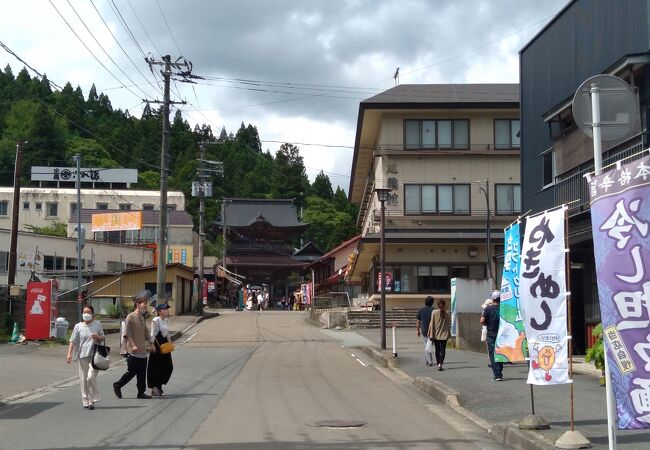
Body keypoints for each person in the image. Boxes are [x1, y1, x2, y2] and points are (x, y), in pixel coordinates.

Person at [113, 290, 154, 399]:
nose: (146, 305)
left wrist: (151, 343)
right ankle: (118, 385)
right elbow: (126, 333)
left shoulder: (141, 317)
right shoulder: (130, 317)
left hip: (142, 350)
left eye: (146, 302)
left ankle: (141, 392)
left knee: (142, 374)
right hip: (133, 351)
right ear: (137, 304)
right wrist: (133, 345)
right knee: (131, 372)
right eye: (144, 303)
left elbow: (146, 332)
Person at [66, 304, 104, 410]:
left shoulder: (97, 324)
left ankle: (92, 398)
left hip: (95, 355)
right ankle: (86, 400)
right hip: (82, 355)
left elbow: (103, 337)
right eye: (84, 312)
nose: (86, 314)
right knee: (83, 379)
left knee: (90, 377)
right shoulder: (78, 326)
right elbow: (72, 341)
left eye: (89, 312)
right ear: (82, 314)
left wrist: (98, 337)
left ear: (93, 314)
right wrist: (69, 354)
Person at [147, 303, 173, 397]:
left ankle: (159, 386)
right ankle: (155, 388)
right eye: (165, 309)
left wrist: (170, 344)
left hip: (165, 346)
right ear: (159, 311)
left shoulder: (165, 320)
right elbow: (152, 335)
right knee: (156, 368)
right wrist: (152, 346)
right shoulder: (155, 321)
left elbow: (167, 333)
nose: (167, 310)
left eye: (167, 309)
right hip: (157, 347)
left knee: (168, 367)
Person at [481, 290, 503, 381]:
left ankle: (497, 375)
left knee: (492, 354)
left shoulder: (488, 309)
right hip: (502, 334)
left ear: (493, 299)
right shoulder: (503, 308)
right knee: (500, 352)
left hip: (491, 334)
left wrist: (487, 323)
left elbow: (481, 321)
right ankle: (499, 372)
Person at [428, 299, 451, 371]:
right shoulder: (447, 314)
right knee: (443, 350)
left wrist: (429, 333)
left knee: (437, 350)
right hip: (444, 334)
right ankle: (441, 364)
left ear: (437, 305)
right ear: (444, 305)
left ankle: (438, 363)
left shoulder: (434, 312)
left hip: (435, 334)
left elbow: (431, 324)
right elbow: (448, 322)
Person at [416, 296, 435, 367]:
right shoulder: (434, 310)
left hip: (423, 330)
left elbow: (418, 322)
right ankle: (429, 361)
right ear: (432, 302)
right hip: (432, 331)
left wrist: (417, 330)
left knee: (427, 346)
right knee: (429, 345)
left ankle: (428, 361)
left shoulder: (421, 310)